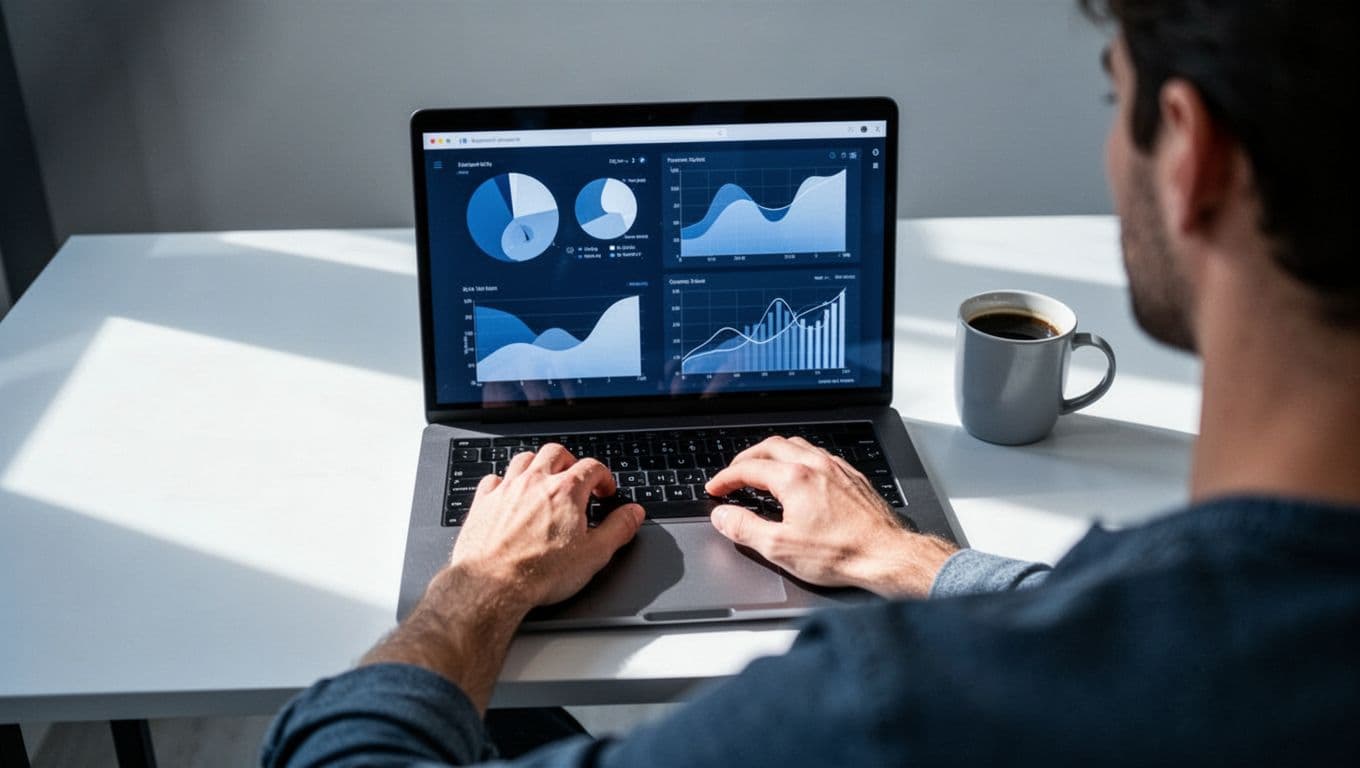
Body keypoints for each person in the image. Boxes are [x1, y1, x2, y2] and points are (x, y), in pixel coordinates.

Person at [261, 1, 1360, 764]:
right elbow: (1147, 647)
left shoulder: (888, 711)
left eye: (1111, 93)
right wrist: (921, 561)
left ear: (1191, 155)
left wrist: (482, 587)